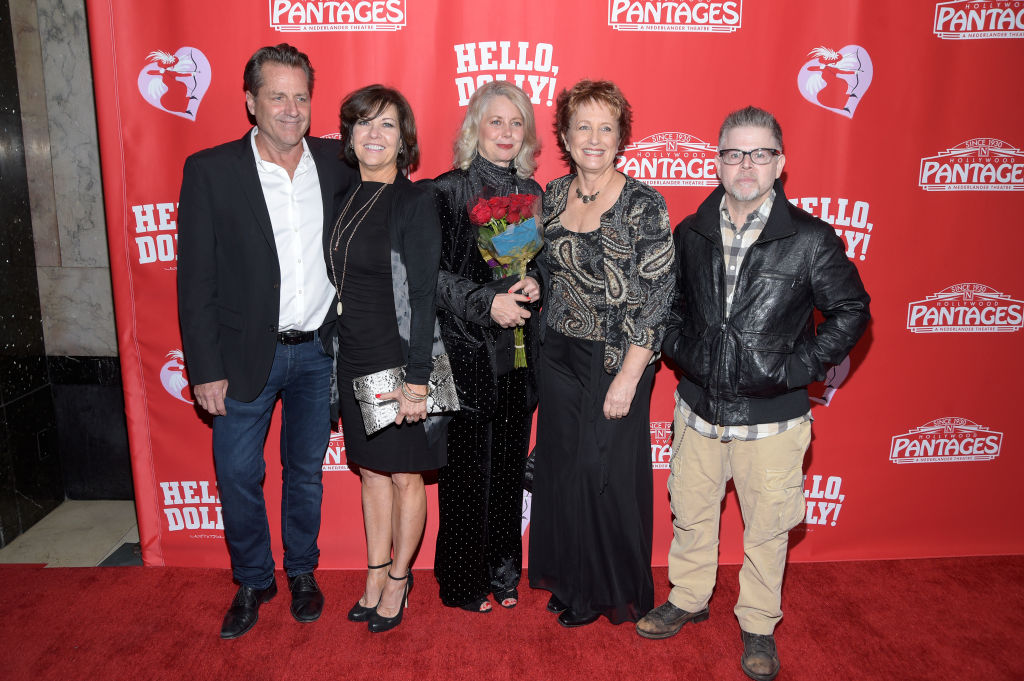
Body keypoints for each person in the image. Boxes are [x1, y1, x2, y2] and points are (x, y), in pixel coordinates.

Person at [635, 106, 870, 681]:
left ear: (780, 163)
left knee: (767, 527)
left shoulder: (811, 239)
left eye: (759, 153)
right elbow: (670, 308)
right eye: (734, 153)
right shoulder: (690, 231)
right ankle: (688, 598)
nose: (746, 164)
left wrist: (797, 367)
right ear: (717, 162)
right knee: (691, 513)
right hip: (698, 406)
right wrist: (682, 350)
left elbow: (851, 310)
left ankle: (759, 622)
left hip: (774, 419)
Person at [176, 43, 353, 639]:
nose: (291, 108)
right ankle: (254, 578)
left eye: (301, 96)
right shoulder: (211, 170)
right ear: (251, 101)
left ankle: (302, 570)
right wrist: (204, 367)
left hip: (316, 354)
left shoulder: (337, 164)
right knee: (236, 473)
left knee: (304, 473)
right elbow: (196, 279)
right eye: (277, 95)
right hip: (242, 355)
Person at [528, 80, 675, 628]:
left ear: (621, 138)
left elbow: (657, 297)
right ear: (565, 135)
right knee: (564, 472)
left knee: (603, 471)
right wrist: (530, 288)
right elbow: (549, 273)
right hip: (558, 354)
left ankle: (606, 590)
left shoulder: (643, 204)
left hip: (617, 358)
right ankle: (569, 581)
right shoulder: (552, 196)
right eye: (582, 126)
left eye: (606, 127)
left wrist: (629, 377)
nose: (594, 138)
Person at [330, 84, 445, 634]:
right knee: (372, 473)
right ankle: (375, 571)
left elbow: (423, 296)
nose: (374, 134)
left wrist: (418, 381)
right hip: (352, 356)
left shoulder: (414, 201)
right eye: (364, 123)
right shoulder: (344, 197)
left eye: (388, 125)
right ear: (350, 135)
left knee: (404, 476)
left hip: (397, 357)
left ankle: (400, 577)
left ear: (405, 141)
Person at [430, 81, 543, 613]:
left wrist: (534, 283)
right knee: (465, 473)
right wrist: (485, 303)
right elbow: (426, 277)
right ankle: (459, 582)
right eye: (495, 121)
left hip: (517, 354)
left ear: (527, 134)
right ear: (475, 127)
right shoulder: (447, 190)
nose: (505, 131)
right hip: (463, 352)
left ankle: (503, 571)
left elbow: (528, 264)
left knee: (507, 467)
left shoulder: (532, 193)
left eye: (515, 122)